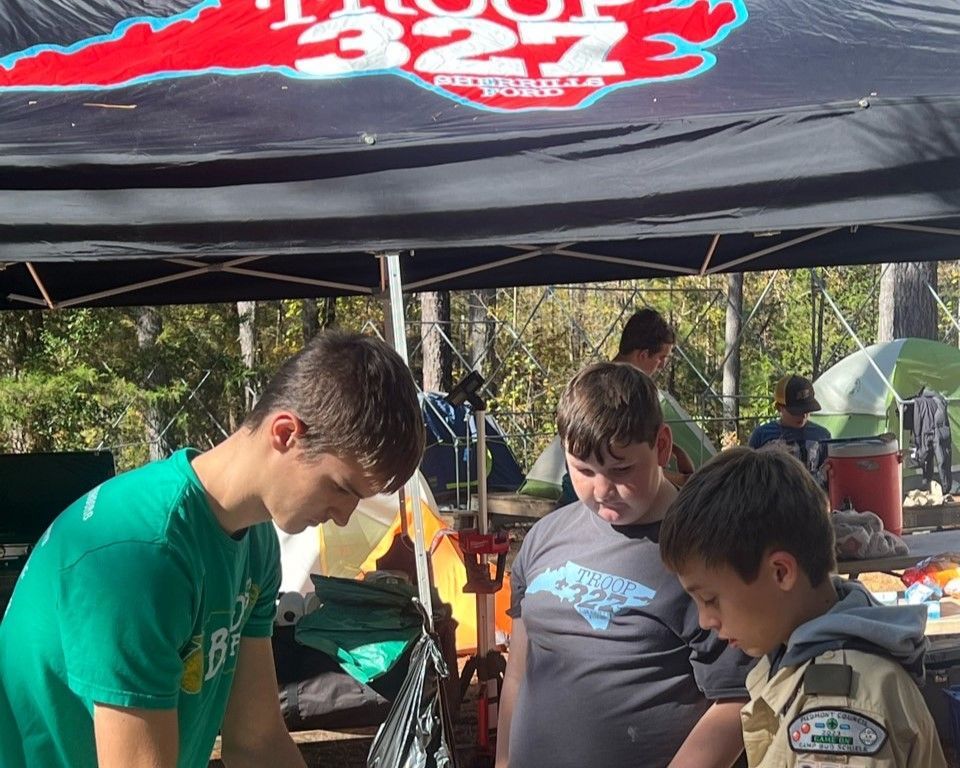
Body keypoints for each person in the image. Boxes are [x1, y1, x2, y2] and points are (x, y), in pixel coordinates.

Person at [0, 330, 425, 768]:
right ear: (285, 434)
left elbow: (256, 741)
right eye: (341, 488)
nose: (343, 516)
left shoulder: (254, 540)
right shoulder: (143, 555)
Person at [497, 362, 752, 768]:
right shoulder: (543, 539)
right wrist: (504, 760)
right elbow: (518, 670)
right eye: (582, 470)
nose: (602, 490)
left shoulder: (707, 558)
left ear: (662, 447)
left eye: (622, 469)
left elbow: (737, 698)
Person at [660, 447, 947, 767]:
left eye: (711, 599)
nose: (704, 620)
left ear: (780, 572)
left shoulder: (838, 706)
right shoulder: (798, 654)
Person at [748, 374, 831, 478]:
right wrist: (763, 455)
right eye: (797, 411)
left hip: (812, 492)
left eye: (808, 410)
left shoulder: (822, 435)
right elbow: (746, 474)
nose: (803, 415)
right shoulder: (761, 434)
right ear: (779, 407)